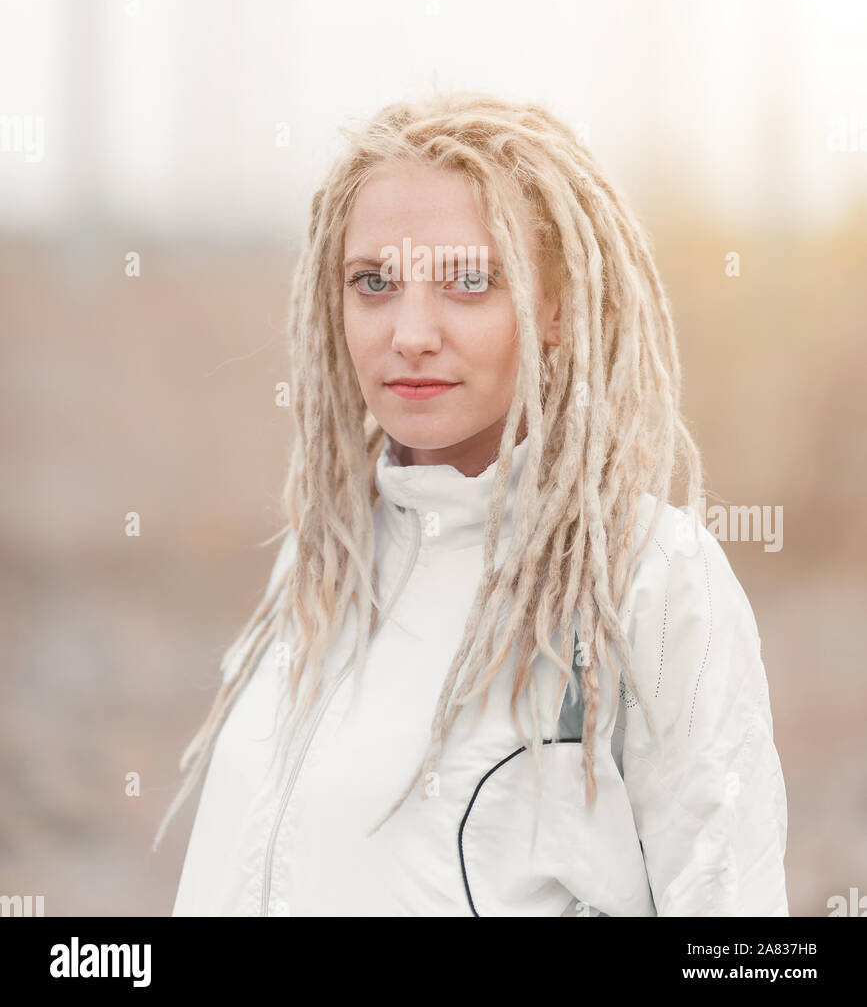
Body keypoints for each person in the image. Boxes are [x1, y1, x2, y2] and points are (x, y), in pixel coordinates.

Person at [154, 91, 789, 917]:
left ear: (555, 306)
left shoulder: (650, 582)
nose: (410, 332)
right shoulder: (319, 564)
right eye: (374, 282)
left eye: (468, 282)